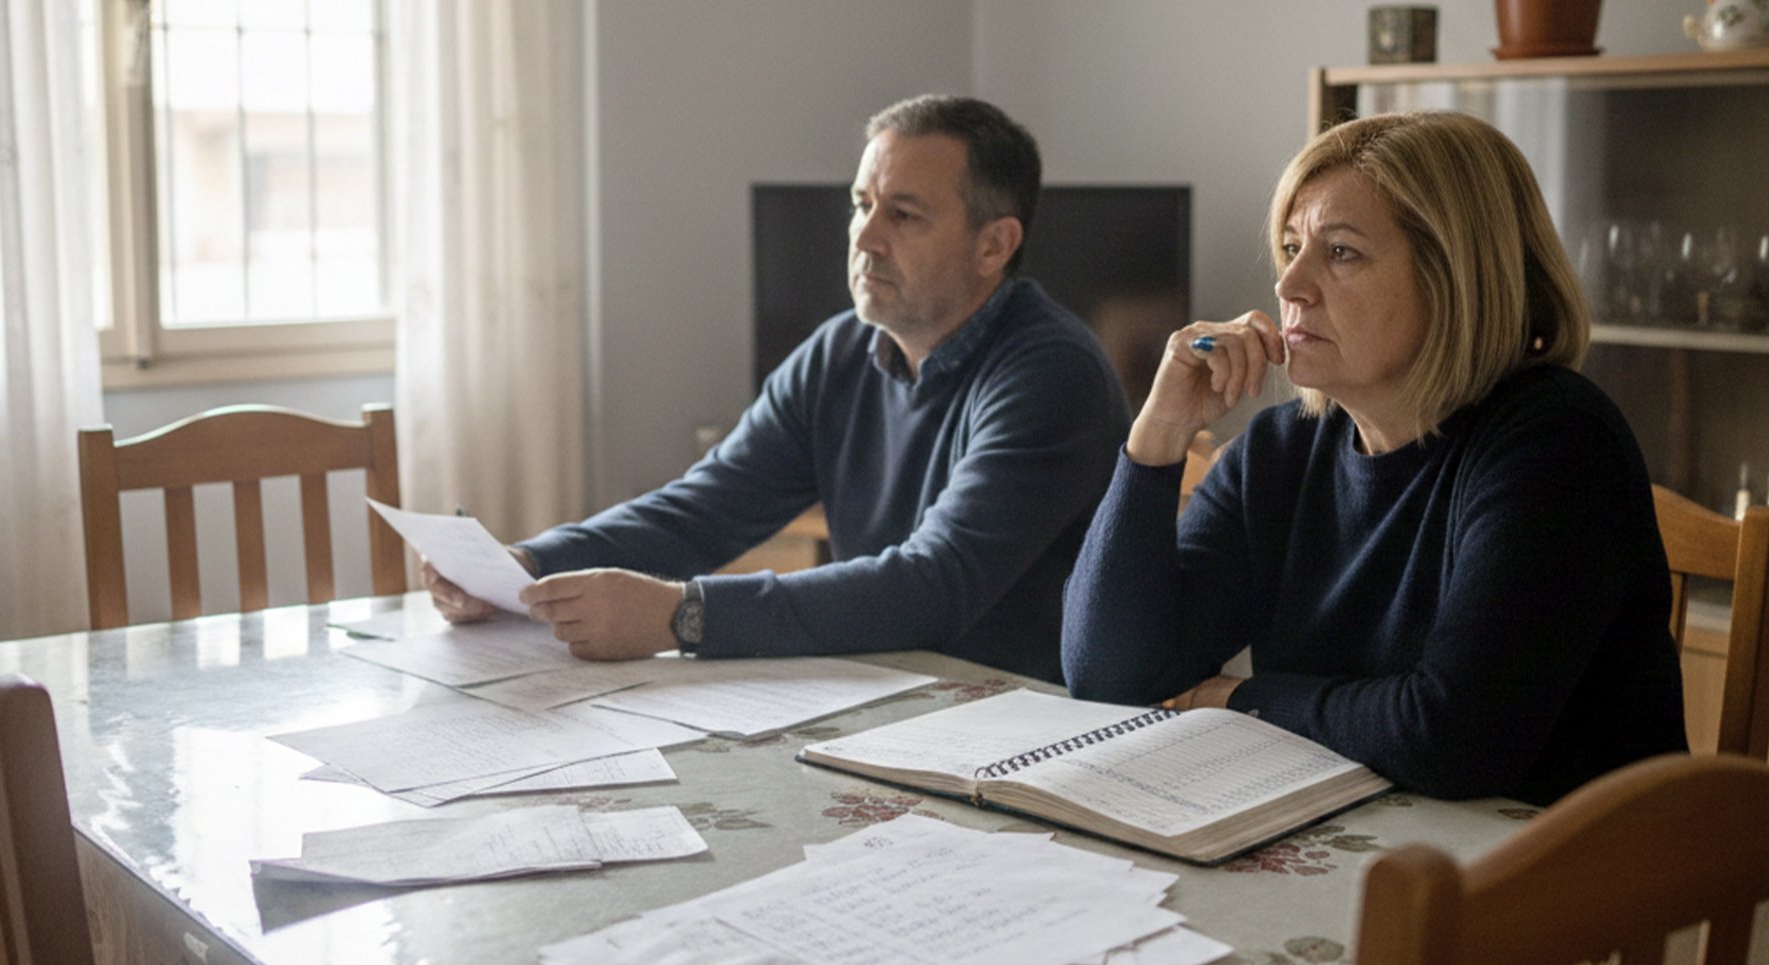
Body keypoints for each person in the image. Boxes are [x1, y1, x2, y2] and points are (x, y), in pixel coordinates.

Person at [1061, 110, 1687, 805]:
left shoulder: (1556, 443)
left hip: (1567, 857)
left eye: (1341, 252)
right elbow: (1110, 676)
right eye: (1291, 246)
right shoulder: (1280, 451)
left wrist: (1243, 698)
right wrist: (1157, 435)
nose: (1289, 286)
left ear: (1455, 277)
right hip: (1369, 832)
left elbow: (1451, 738)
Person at [425, 95, 1130, 681]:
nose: (865, 239)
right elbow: (704, 509)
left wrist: (681, 613)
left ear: (994, 246)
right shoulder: (841, 352)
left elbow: (933, 584)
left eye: (904, 215)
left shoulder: (1050, 373)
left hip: (1017, 716)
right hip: (886, 690)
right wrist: (526, 566)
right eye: (862, 205)